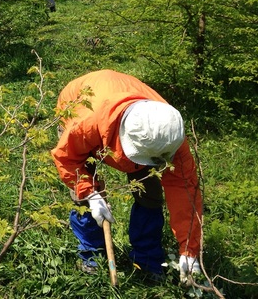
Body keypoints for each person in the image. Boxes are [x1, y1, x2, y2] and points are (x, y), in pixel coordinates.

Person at [51, 70, 203, 284]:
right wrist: (89, 194)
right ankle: (92, 254)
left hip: (128, 118)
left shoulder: (169, 134)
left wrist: (189, 250)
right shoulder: (85, 123)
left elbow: (185, 193)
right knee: (84, 198)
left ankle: (147, 258)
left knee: (149, 194)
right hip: (79, 106)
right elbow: (68, 159)